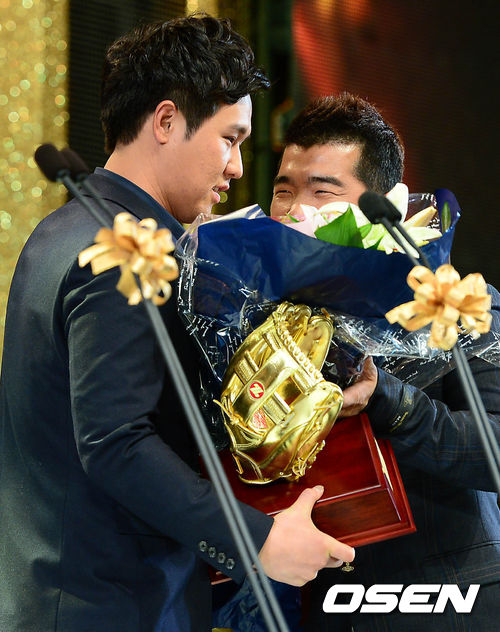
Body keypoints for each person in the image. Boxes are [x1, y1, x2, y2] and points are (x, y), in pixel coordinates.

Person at [0, 18, 354, 632]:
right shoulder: (130, 252)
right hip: (111, 607)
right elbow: (116, 443)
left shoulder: (64, 229)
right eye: (229, 139)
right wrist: (259, 541)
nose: (237, 167)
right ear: (165, 121)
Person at [270, 93, 500, 631]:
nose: (295, 211)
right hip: (320, 603)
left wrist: (387, 400)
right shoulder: (261, 315)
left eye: (322, 191)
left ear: (385, 206)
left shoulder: (463, 305)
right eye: (283, 191)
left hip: (447, 603)